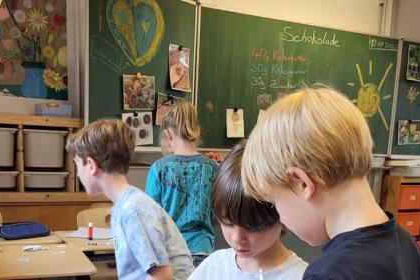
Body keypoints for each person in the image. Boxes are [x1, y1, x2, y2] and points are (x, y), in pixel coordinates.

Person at [241, 86, 420, 279]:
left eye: (274, 203)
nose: (281, 218)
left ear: (302, 183)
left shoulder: (327, 274)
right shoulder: (406, 244)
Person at [66, 119, 194, 280]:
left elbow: (161, 276)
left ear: (91, 165)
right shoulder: (125, 206)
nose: (77, 173)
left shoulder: (134, 209)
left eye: (77, 164)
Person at [189, 141, 308, 279]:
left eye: (252, 227)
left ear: (283, 216)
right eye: (228, 223)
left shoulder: (302, 276)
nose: (237, 238)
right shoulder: (213, 267)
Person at [146, 100, 218, 267]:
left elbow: (151, 217)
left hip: (170, 250)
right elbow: (217, 215)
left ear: (168, 135)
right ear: (197, 131)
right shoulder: (212, 167)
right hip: (203, 249)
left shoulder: (158, 168)